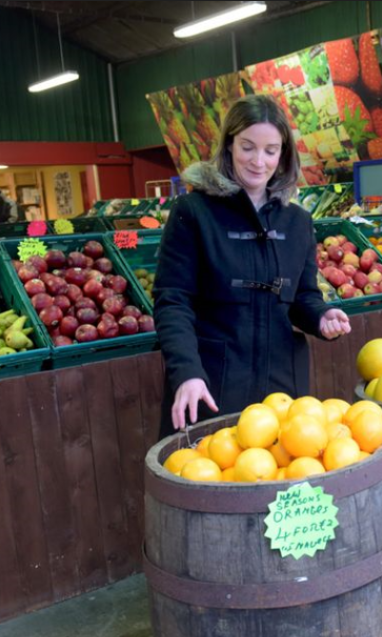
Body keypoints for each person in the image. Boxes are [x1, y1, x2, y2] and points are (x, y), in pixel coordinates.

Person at [154, 95, 352, 439]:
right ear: (229, 144)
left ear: (283, 154)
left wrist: (321, 316)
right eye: (248, 147)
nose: (259, 161)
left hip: (282, 389)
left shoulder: (297, 221)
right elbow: (173, 300)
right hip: (212, 384)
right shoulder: (194, 212)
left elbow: (303, 295)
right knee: (212, 478)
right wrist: (186, 372)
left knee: (281, 480)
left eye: (270, 150)